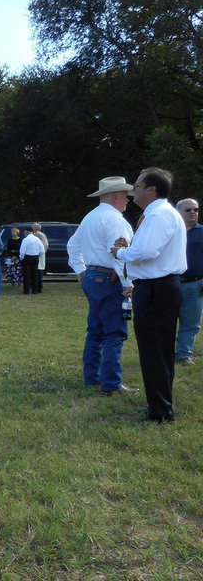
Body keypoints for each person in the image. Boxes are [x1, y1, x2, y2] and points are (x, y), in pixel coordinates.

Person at [111, 167, 187, 423]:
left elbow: (146, 253)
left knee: (154, 350)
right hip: (159, 287)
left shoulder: (158, 215)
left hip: (157, 288)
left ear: (152, 189)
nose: (133, 191)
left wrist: (119, 253)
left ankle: (160, 411)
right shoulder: (159, 214)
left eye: (138, 186)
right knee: (158, 350)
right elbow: (147, 250)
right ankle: (159, 405)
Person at [67, 176, 137, 395]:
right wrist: (128, 282)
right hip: (110, 277)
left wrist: (80, 269)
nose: (127, 201)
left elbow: (72, 244)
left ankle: (92, 377)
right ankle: (111, 383)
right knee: (114, 332)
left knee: (95, 330)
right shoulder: (115, 219)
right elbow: (118, 253)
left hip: (93, 276)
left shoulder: (90, 217)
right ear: (115, 197)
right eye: (125, 197)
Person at [175, 198, 203, 366]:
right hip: (170, 283)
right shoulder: (171, 230)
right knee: (166, 320)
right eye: (188, 210)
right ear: (178, 211)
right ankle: (164, 352)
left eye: (196, 209)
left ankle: (184, 354)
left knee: (191, 322)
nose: (193, 212)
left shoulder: (202, 232)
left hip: (194, 284)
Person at [19, 229, 44, 295]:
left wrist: (21, 258)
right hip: (35, 257)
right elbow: (42, 250)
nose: (24, 233)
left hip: (27, 257)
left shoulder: (25, 240)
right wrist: (37, 256)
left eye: (24, 232)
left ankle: (26, 291)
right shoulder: (37, 239)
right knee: (35, 275)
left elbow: (22, 251)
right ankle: (35, 290)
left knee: (26, 275)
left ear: (27, 232)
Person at [32, 223, 49, 293]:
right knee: (37, 271)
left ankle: (39, 287)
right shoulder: (34, 235)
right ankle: (36, 286)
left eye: (33, 227)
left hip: (38, 256)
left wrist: (40, 252)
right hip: (37, 255)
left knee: (38, 272)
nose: (32, 228)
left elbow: (45, 245)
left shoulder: (41, 235)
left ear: (36, 228)